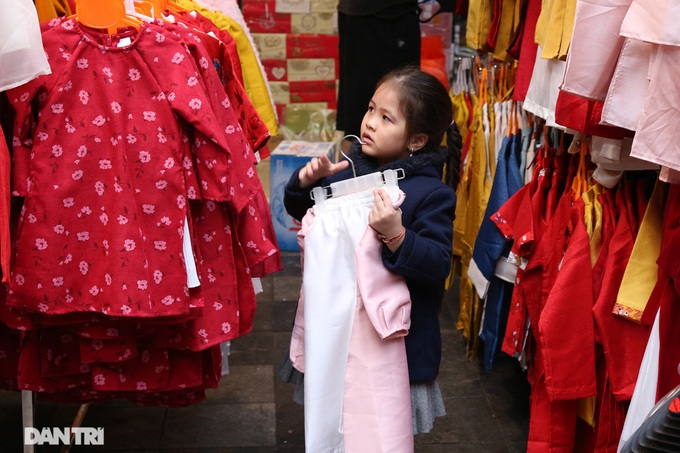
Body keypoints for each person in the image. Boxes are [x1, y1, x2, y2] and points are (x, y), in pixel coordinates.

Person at [283, 65, 463, 437]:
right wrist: (305, 184)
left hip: (395, 345)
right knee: (337, 419)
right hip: (338, 328)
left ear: (416, 140)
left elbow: (438, 263)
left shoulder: (430, 195)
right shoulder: (349, 170)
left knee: (384, 428)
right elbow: (307, 214)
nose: (370, 123)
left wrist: (397, 235)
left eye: (386, 117)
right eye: (370, 109)